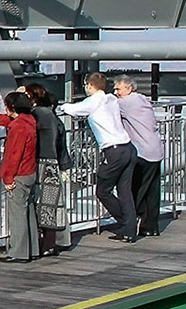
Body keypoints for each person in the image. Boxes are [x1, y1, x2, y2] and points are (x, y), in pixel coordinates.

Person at [61, 73, 137, 241]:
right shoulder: (110, 99)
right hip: (128, 148)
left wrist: (62, 107)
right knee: (125, 191)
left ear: (89, 86)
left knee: (103, 190)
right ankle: (130, 228)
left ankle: (126, 222)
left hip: (113, 150)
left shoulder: (95, 100)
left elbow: (75, 109)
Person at [0, 92, 41, 262]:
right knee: (28, 211)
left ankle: (19, 252)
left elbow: (13, 155)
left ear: (12, 107)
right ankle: (33, 249)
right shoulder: (28, 121)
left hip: (19, 174)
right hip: (30, 172)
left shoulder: (18, 128)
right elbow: (8, 121)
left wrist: (8, 178)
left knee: (17, 215)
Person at [113, 74, 164, 236]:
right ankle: (150, 226)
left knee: (134, 189)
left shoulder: (125, 103)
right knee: (152, 191)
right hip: (155, 149)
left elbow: (106, 108)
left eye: (118, 88)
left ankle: (129, 224)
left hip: (142, 151)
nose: (115, 92)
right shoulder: (142, 99)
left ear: (128, 88)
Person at [23, 82, 70, 255]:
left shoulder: (36, 115)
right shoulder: (51, 115)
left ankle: (45, 244)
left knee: (41, 203)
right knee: (51, 203)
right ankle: (52, 243)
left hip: (41, 162)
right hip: (53, 162)